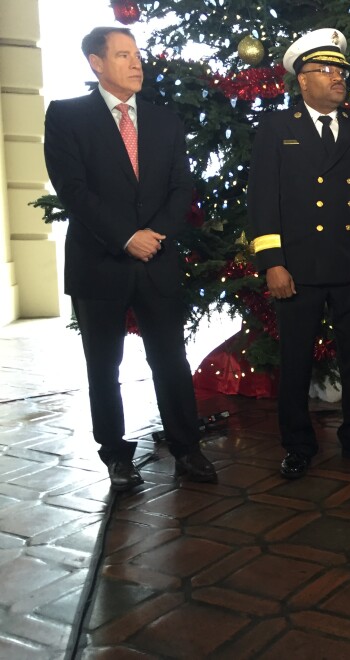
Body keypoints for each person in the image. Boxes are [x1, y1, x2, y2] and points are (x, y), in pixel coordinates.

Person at [43, 27, 217, 491]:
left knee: (171, 360)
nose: (136, 63)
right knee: (104, 365)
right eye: (123, 55)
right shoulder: (66, 116)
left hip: (156, 258)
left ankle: (187, 448)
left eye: (137, 55)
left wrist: (153, 235)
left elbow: (182, 186)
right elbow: (72, 190)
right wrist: (125, 237)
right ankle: (116, 457)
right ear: (96, 63)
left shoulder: (165, 120)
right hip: (98, 263)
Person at [248, 28, 350, 479]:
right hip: (298, 267)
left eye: (341, 69)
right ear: (302, 80)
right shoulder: (277, 127)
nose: (337, 77)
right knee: (296, 359)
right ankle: (297, 444)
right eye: (325, 70)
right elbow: (262, 200)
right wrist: (273, 261)